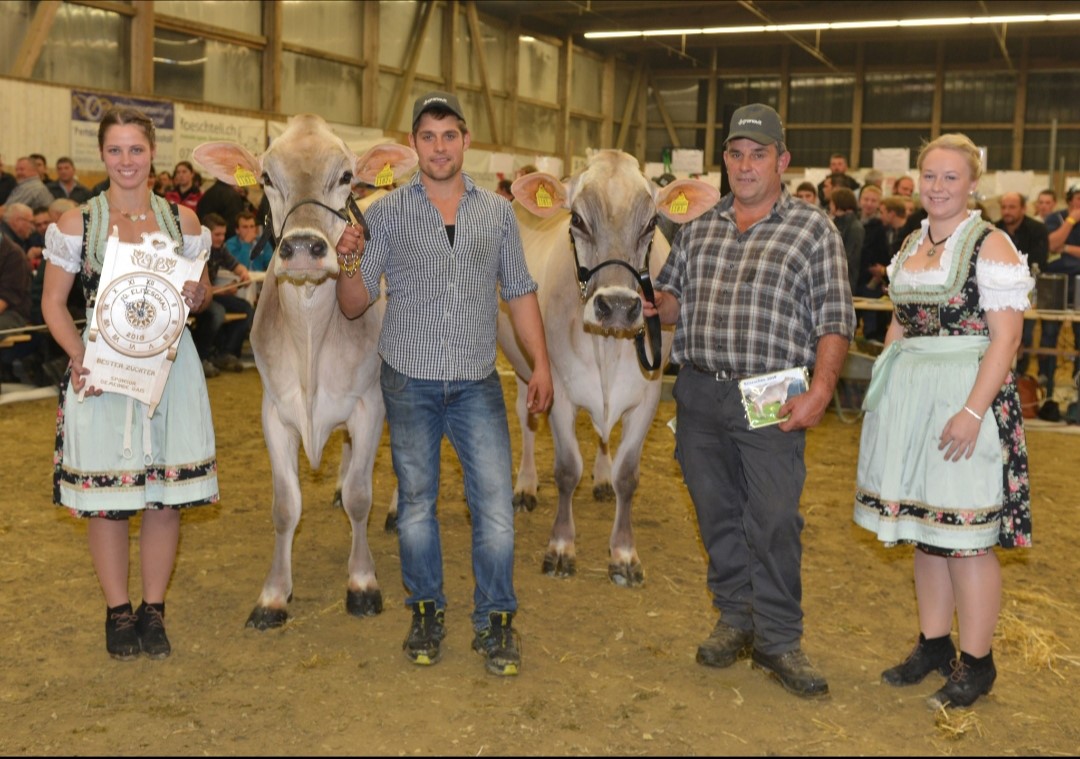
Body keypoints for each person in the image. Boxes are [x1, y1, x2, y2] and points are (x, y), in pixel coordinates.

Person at [335, 91, 553, 677]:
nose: (439, 146)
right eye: (427, 137)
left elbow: (520, 292)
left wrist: (542, 364)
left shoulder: (498, 213)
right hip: (409, 382)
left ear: (466, 141)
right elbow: (355, 305)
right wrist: (350, 261)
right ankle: (426, 610)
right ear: (413, 146)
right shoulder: (383, 214)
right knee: (415, 507)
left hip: (478, 382)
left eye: (449, 135)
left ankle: (497, 619)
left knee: (496, 511)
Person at [645, 103, 854, 698]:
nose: (744, 165)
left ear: (782, 161)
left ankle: (780, 639)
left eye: (757, 154)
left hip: (772, 391)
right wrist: (650, 305)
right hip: (700, 391)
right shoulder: (701, 227)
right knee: (715, 514)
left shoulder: (813, 230)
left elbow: (835, 319)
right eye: (735, 153)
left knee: (773, 518)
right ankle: (736, 617)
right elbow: (674, 306)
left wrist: (821, 390)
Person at [854, 133, 1032, 710]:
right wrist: (886, 395)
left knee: (968, 538)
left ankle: (977, 663)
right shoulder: (912, 243)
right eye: (930, 175)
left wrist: (973, 411)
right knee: (925, 532)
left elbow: (1006, 340)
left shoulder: (992, 244)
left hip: (964, 396)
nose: (937, 187)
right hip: (913, 396)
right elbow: (902, 324)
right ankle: (934, 645)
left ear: (974, 183)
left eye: (950, 177)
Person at [39, 106, 218, 661]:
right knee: (109, 497)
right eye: (115, 150)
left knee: (164, 497)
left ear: (152, 153)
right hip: (103, 369)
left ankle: (154, 610)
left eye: (135, 150)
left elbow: (202, 290)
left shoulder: (183, 222)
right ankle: (118, 613)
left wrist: (198, 294)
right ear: (103, 155)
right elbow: (52, 303)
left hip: (169, 366)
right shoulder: (77, 223)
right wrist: (77, 357)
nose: (126, 161)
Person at [995, 192, 1048, 376]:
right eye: (1004, 207)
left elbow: (1039, 262)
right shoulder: (994, 229)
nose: (1007, 211)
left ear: (1023, 209)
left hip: (1029, 293)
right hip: (998, 295)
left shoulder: (1038, 230)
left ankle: (1026, 379)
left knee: (1027, 336)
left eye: (1012, 207)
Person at [193, 213, 253, 375]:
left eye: (223, 234)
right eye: (217, 235)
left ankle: (227, 353)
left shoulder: (220, 249)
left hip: (214, 293)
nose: (221, 238)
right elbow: (197, 287)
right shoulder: (196, 250)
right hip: (198, 297)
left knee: (247, 309)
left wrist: (243, 273)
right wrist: (225, 290)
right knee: (217, 312)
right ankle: (202, 356)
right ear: (206, 234)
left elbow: (235, 265)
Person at [830, 186, 865, 296]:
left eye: (831, 202)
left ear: (837, 203)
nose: (829, 205)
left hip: (845, 282)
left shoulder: (855, 227)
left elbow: (850, 259)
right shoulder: (833, 223)